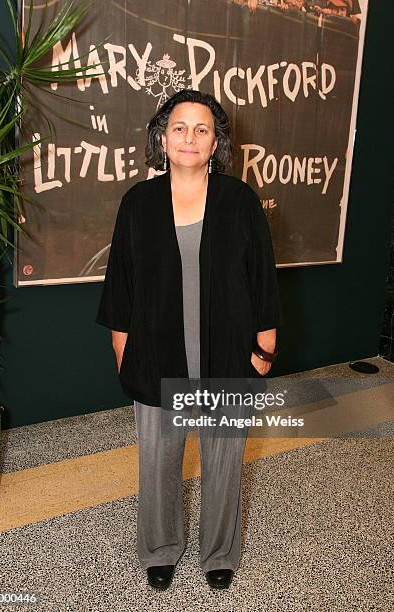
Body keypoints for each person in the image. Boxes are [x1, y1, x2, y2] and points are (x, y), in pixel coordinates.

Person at [96, 89, 283, 591]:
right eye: (180, 127)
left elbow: (262, 277)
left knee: (224, 462)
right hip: (157, 357)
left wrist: (263, 349)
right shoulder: (138, 202)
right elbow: (122, 283)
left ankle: (219, 552)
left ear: (216, 141)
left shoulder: (239, 200)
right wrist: (123, 351)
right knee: (158, 464)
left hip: (227, 356)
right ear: (162, 136)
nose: (190, 138)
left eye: (203, 129)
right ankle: (160, 549)